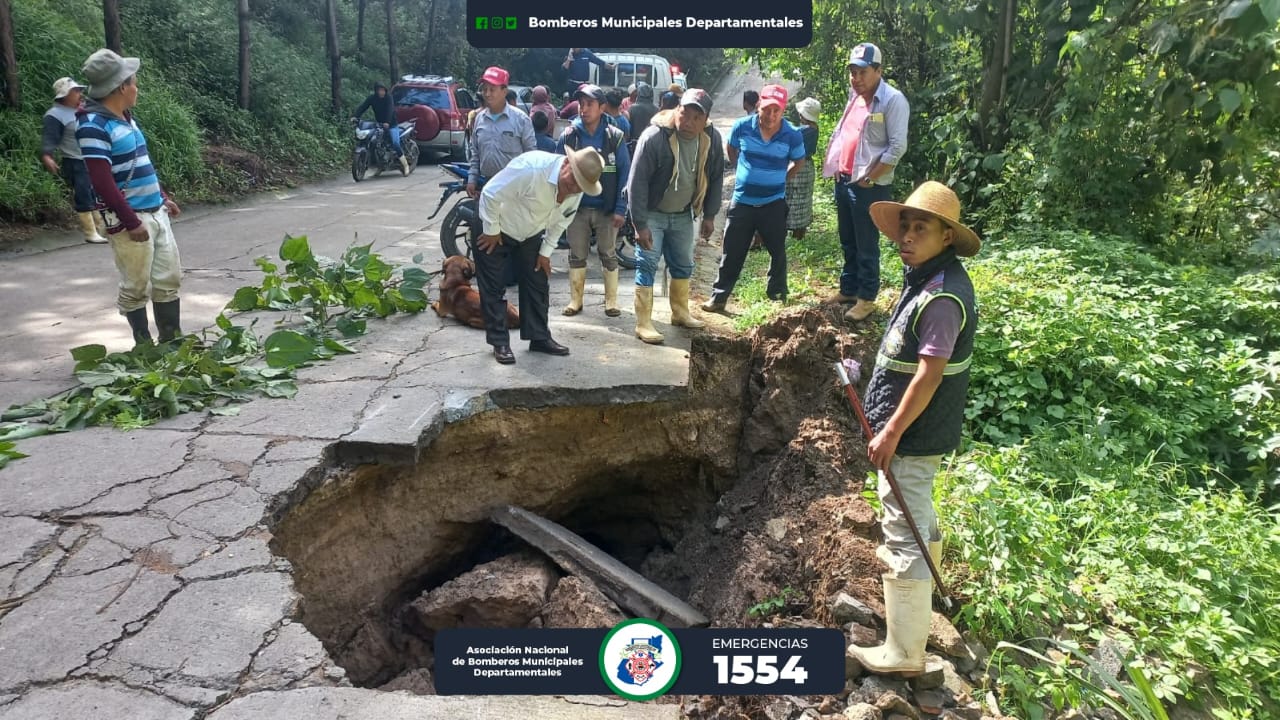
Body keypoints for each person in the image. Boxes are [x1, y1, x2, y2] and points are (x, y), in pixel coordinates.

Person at [847, 180, 980, 675]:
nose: (906, 236)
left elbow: (929, 374)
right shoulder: (924, 279)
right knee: (916, 516)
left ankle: (904, 651)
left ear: (947, 236)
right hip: (915, 430)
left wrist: (892, 433)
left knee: (903, 526)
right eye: (904, 227)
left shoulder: (943, 296)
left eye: (920, 228)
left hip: (916, 434)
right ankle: (924, 592)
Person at [76, 49, 184, 344]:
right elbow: (102, 181)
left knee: (168, 278)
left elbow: (141, 161)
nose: (137, 88)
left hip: (155, 211)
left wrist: (162, 196)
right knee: (136, 285)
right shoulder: (92, 125)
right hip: (131, 219)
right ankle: (143, 343)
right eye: (134, 82)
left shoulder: (126, 117)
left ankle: (171, 340)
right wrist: (130, 221)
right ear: (121, 86)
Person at [475, 147, 604, 365]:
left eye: (579, 187)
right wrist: (491, 229)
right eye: (572, 181)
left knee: (537, 280)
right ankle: (500, 342)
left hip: (530, 232)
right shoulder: (531, 169)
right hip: (496, 226)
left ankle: (539, 337)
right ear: (565, 165)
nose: (573, 189)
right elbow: (489, 193)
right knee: (494, 286)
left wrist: (545, 252)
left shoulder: (577, 188)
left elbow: (563, 220)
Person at [626, 89, 724, 344]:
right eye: (684, 113)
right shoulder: (655, 137)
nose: (688, 122)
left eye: (696, 117)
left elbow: (715, 178)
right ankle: (643, 322)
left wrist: (710, 215)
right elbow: (637, 183)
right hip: (652, 214)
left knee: (683, 265)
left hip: (683, 214)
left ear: (706, 120)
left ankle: (680, 313)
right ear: (676, 110)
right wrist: (639, 224)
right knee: (647, 264)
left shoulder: (710, 139)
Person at [823, 42, 910, 322]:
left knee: (866, 243)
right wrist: (837, 164)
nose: (856, 78)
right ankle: (849, 289)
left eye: (862, 72)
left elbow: (897, 148)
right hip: (845, 180)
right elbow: (846, 133)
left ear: (878, 71)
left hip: (869, 187)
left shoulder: (893, 100)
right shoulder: (855, 96)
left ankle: (867, 298)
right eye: (852, 72)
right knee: (848, 239)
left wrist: (871, 178)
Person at [702, 85, 805, 312]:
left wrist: (782, 179)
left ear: (783, 110)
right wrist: (742, 170)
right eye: (767, 109)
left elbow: (799, 161)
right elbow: (731, 149)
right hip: (743, 202)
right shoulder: (742, 127)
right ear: (759, 105)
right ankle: (718, 298)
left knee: (777, 250)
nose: (771, 115)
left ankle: (777, 294)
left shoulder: (792, 134)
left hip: (773, 203)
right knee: (732, 251)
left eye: (776, 111)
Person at [555, 84, 630, 317]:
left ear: (602, 107)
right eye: (581, 104)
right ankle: (576, 300)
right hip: (576, 208)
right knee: (577, 254)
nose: (583, 109)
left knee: (608, 253)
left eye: (589, 104)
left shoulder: (614, 137)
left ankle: (611, 302)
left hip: (607, 210)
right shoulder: (569, 136)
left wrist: (620, 208)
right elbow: (556, 168)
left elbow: (625, 173)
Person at [468, 66, 536, 288]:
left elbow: (531, 156)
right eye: (484, 89)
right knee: (488, 233)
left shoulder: (520, 120)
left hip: (515, 190)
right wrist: (471, 178)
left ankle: (515, 277)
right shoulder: (479, 119)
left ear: (505, 90)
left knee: (514, 235)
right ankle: (493, 281)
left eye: (492, 89)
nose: (487, 93)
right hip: (488, 187)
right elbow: (475, 153)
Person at [41, 76, 107, 244]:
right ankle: (90, 232)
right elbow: (50, 137)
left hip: (92, 158)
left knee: (96, 193)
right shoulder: (54, 115)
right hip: (74, 160)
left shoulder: (82, 110)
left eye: (79, 90)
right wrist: (47, 155)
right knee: (84, 194)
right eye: (75, 91)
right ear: (64, 95)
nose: (79, 93)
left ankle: (102, 229)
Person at [352, 83, 408, 174]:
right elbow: (363, 107)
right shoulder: (372, 98)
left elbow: (390, 110)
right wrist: (355, 116)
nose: (381, 92)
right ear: (376, 91)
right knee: (375, 143)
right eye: (379, 90)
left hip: (392, 125)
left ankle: (405, 165)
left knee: (395, 143)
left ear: (385, 90)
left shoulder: (389, 98)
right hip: (379, 125)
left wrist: (387, 122)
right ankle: (380, 165)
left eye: (383, 90)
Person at [786, 97, 821, 240]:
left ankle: (794, 236)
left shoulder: (803, 131)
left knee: (791, 199)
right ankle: (799, 236)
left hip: (797, 166)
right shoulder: (814, 129)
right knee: (803, 202)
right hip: (807, 167)